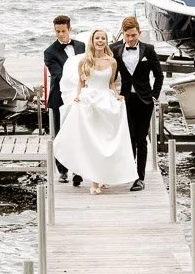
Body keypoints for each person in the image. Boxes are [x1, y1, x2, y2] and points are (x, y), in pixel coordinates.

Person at [53, 29, 136, 193]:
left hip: (106, 101)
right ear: (92, 40)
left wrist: (117, 96)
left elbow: (111, 83)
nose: (100, 40)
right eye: (97, 38)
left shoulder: (112, 62)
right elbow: (81, 82)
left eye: (103, 38)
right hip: (90, 101)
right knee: (93, 142)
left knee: (105, 142)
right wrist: (77, 96)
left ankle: (103, 176)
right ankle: (94, 183)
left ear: (106, 41)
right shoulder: (84, 61)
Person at [113, 15, 164, 191]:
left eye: (133, 35)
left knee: (141, 139)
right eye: (127, 35)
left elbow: (159, 75)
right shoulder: (115, 50)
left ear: (139, 33)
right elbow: (109, 73)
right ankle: (129, 173)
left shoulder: (148, 50)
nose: (130, 39)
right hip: (126, 100)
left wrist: (154, 95)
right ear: (123, 34)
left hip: (144, 100)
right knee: (130, 137)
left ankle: (140, 178)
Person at [42, 16, 85, 184]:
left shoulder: (81, 46)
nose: (60, 34)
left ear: (69, 29)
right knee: (60, 135)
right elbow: (59, 74)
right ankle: (62, 171)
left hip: (80, 96)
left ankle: (78, 170)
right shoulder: (49, 52)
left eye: (63, 31)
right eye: (57, 31)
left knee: (80, 133)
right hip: (59, 97)